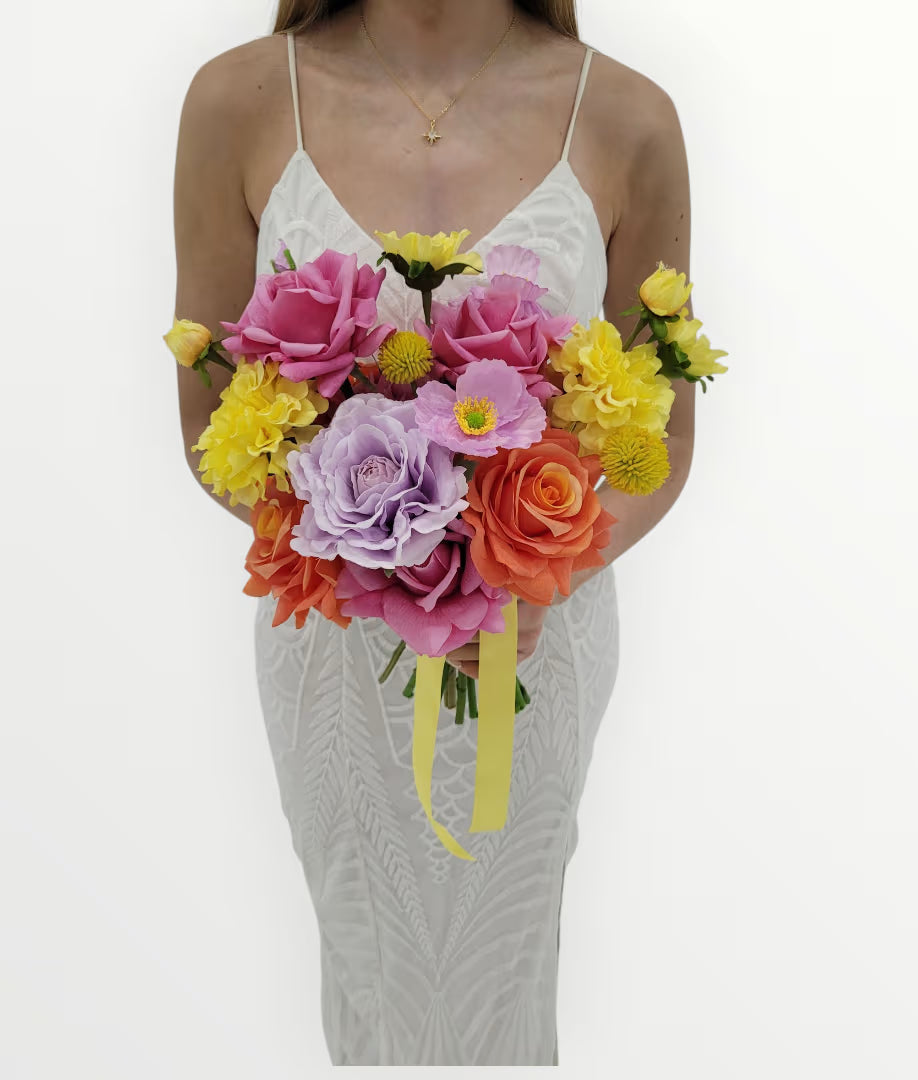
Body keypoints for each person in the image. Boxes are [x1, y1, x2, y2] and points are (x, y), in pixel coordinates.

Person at [170, 0, 695, 1065]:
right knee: (370, 959)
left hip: (536, 645)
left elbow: (666, 429)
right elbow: (207, 418)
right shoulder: (238, 101)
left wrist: (529, 570)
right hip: (331, 640)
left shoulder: (631, 116)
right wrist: (379, 554)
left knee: (506, 953)